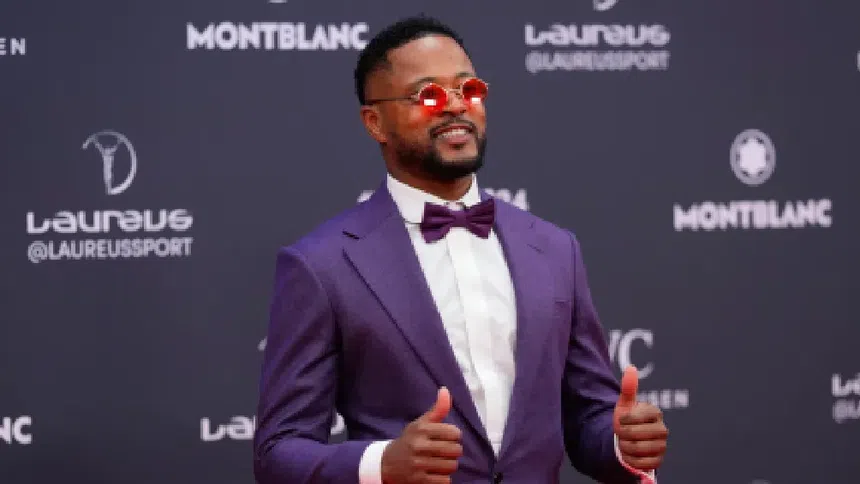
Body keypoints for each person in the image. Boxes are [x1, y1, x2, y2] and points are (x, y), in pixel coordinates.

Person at [253, 14, 668, 484]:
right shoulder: (322, 265)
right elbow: (278, 452)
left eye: (468, 89)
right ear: (375, 122)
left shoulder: (555, 249)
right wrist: (381, 465)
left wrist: (621, 445)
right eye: (428, 95)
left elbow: (588, 418)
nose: (455, 106)